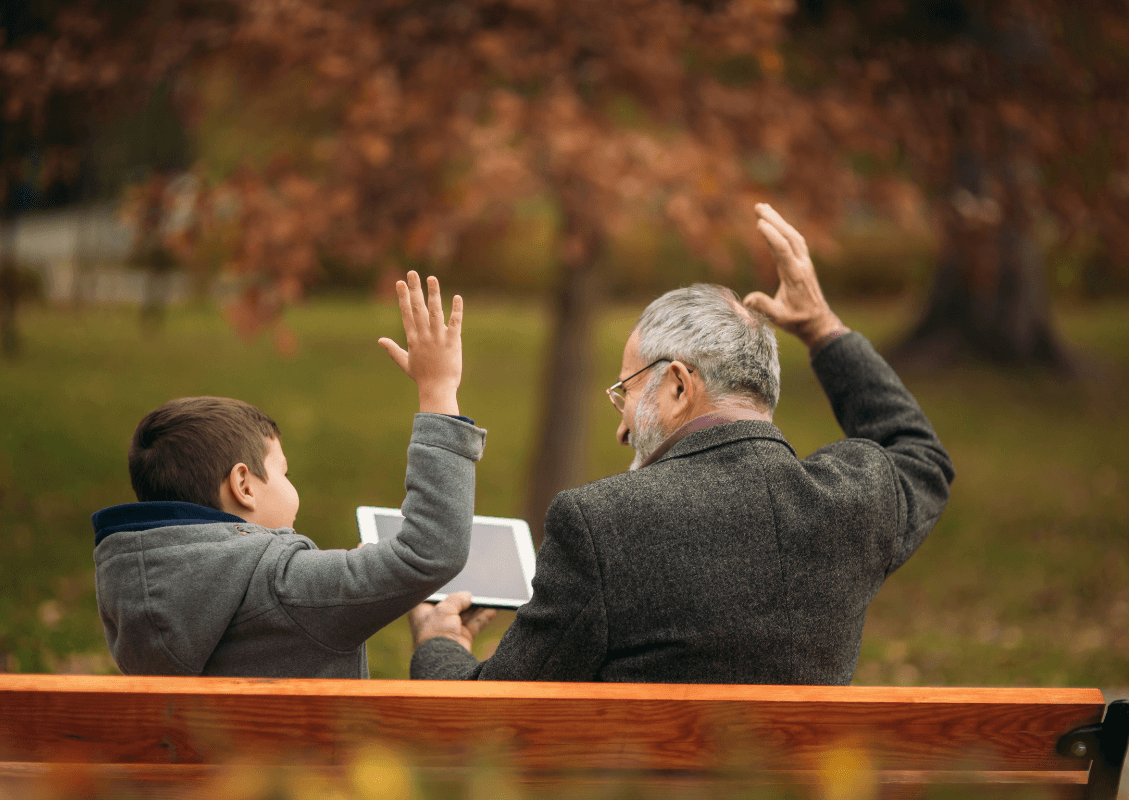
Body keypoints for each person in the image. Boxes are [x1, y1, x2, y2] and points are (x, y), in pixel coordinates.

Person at [408, 205, 955, 684]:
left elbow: (494, 710)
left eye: (626, 392)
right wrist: (823, 329)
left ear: (677, 384)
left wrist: (440, 644)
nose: (621, 428)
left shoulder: (601, 525)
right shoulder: (858, 498)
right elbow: (920, 455)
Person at [91, 272, 484, 678]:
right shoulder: (286, 587)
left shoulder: (127, 592)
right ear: (243, 485)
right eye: (284, 472)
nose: (292, 486)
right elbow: (431, 549)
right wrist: (438, 388)